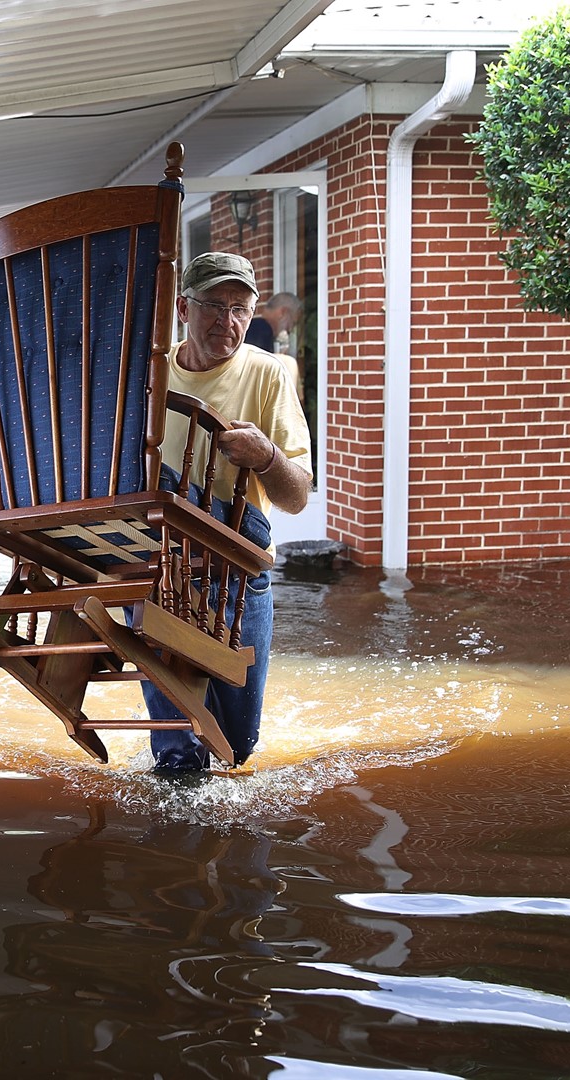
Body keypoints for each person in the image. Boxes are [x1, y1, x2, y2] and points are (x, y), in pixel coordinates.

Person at [148, 253, 312, 774]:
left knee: (238, 748)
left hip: (237, 565)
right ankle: (172, 842)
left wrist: (267, 456)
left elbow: (296, 499)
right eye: (214, 306)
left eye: (240, 308)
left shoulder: (268, 374)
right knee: (178, 758)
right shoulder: (147, 374)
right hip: (159, 566)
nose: (228, 321)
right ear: (182, 308)